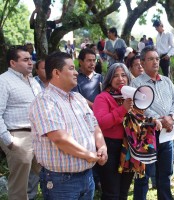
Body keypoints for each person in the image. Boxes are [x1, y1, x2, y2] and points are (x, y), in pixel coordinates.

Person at [29, 51, 107, 199]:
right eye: (71, 68)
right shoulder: (45, 101)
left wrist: (102, 146)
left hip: (87, 176)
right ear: (57, 72)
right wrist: (88, 155)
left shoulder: (78, 98)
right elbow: (59, 138)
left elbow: (94, 125)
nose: (76, 72)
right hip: (62, 182)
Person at [131, 45, 174, 200]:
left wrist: (171, 116)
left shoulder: (166, 81)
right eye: (151, 59)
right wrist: (161, 119)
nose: (155, 62)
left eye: (157, 59)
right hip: (146, 136)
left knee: (165, 174)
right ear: (143, 62)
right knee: (143, 177)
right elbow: (139, 107)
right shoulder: (136, 84)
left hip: (166, 134)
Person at [0, 46, 41, 199]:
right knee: (19, 186)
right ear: (13, 63)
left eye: (31, 59)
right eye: (25, 60)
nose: (31, 62)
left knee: (38, 178)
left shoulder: (33, 82)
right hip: (17, 135)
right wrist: (9, 140)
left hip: (38, 135)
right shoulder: (3, 81)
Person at [93, 63, 135, 199]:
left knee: (123, 192)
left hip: (129, 147)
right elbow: (101, 123)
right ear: (109, 79)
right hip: (110, 147)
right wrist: (123, 109)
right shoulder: (103, 97)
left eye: (123, 75)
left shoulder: (134, 97)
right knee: (111, 193)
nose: (120, 79)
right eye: (115, 76)